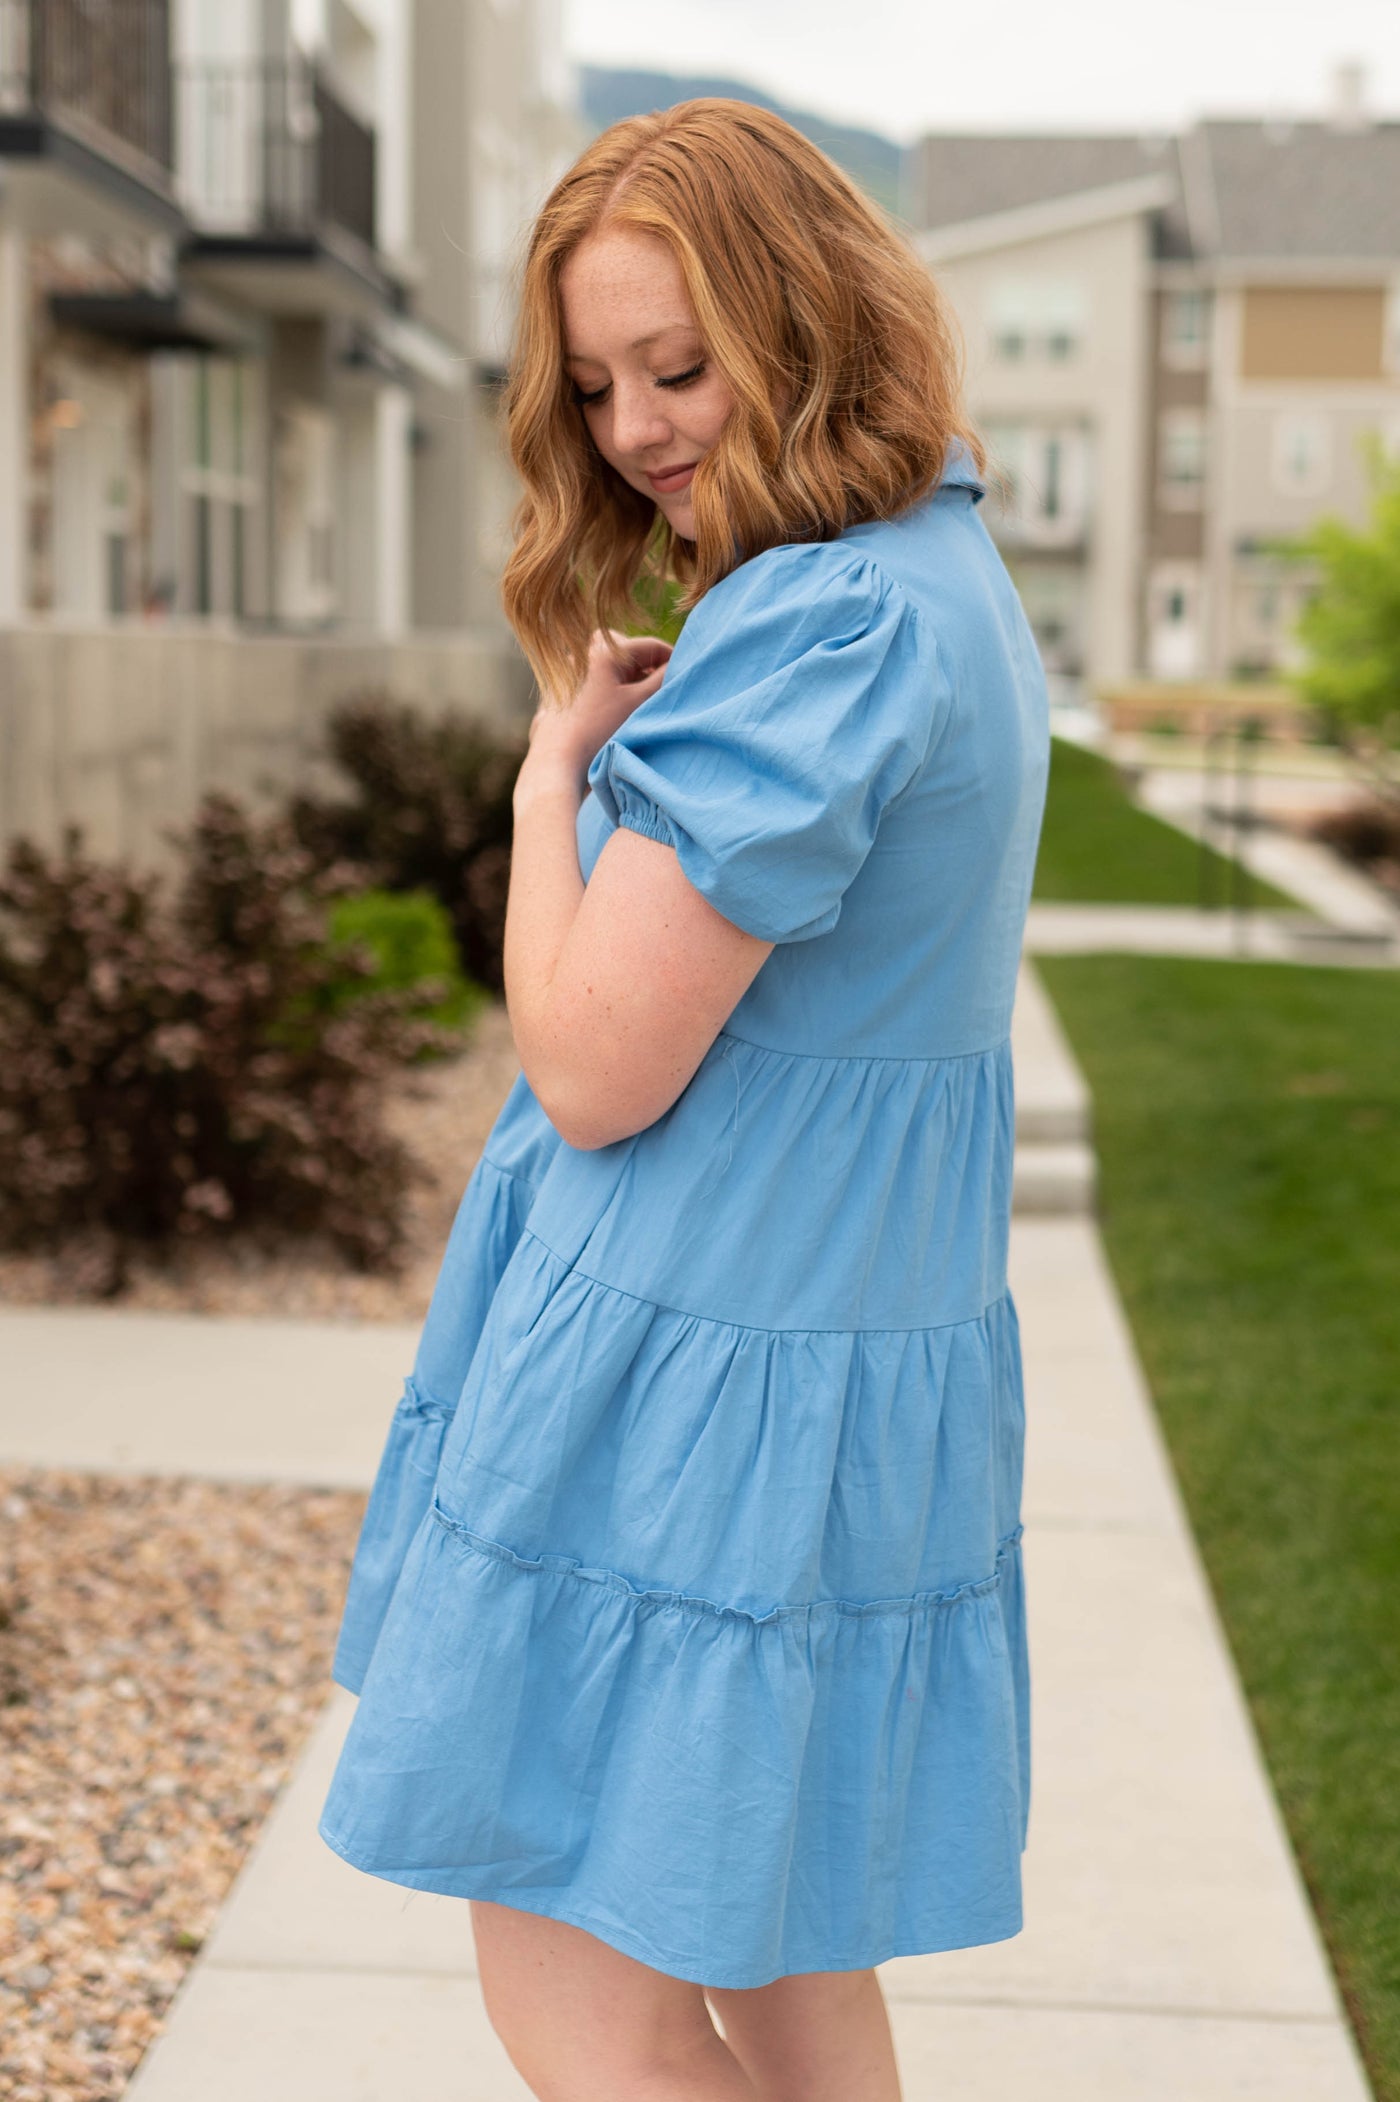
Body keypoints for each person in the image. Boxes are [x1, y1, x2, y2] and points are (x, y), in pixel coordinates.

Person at [318, 99, 1049, 2102]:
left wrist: (549, 781)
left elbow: (588, 1060)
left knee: (582, 1993)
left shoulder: (817, 627)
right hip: (829, 1359)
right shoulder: (941, 584)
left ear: (808, 317)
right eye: (596, 382)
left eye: (681, 364)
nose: (637, 426)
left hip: (686, 1383)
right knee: (790, 1971)